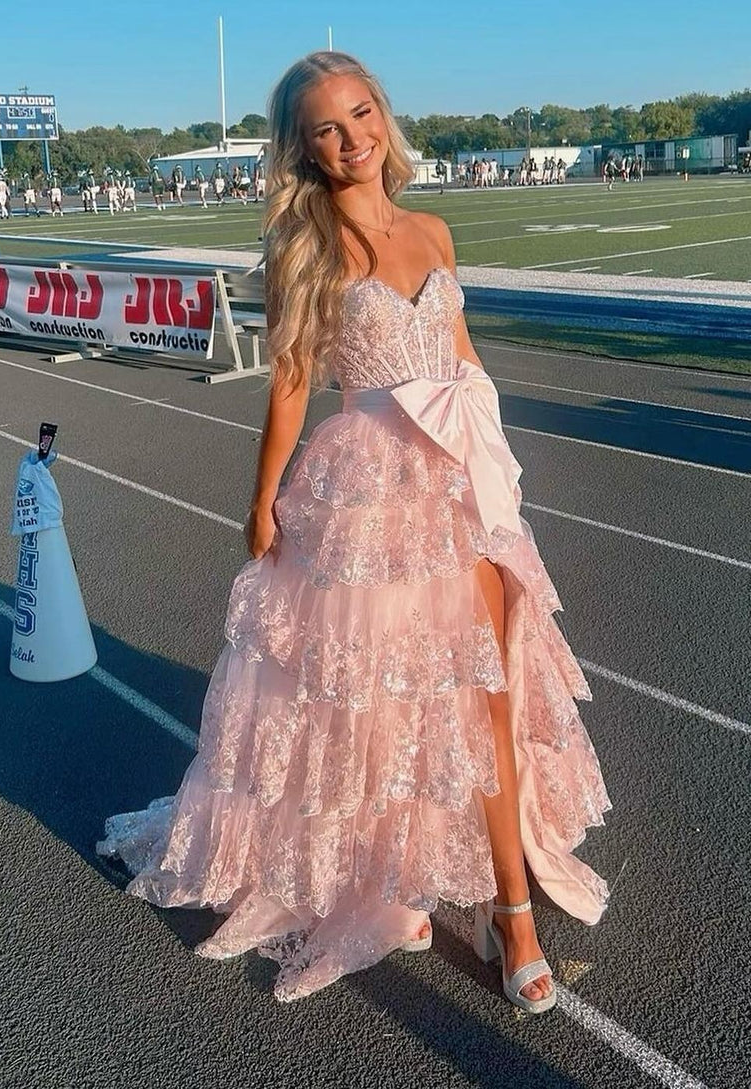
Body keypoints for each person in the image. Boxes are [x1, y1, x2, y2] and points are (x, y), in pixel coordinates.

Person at [97, 50, 610, 1009]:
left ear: (386, 114)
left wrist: (490, 459)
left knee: (490, 696)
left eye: (363, 113)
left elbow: (461, 352)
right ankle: (383, 876)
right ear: (302, 147)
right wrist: (263, 501)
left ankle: (514, 914)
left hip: (463, 487)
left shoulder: (435, 228)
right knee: (375, 709)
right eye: (327, 128)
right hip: (367, 500)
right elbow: (291, 385)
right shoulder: (306, 250)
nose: (354, 139)